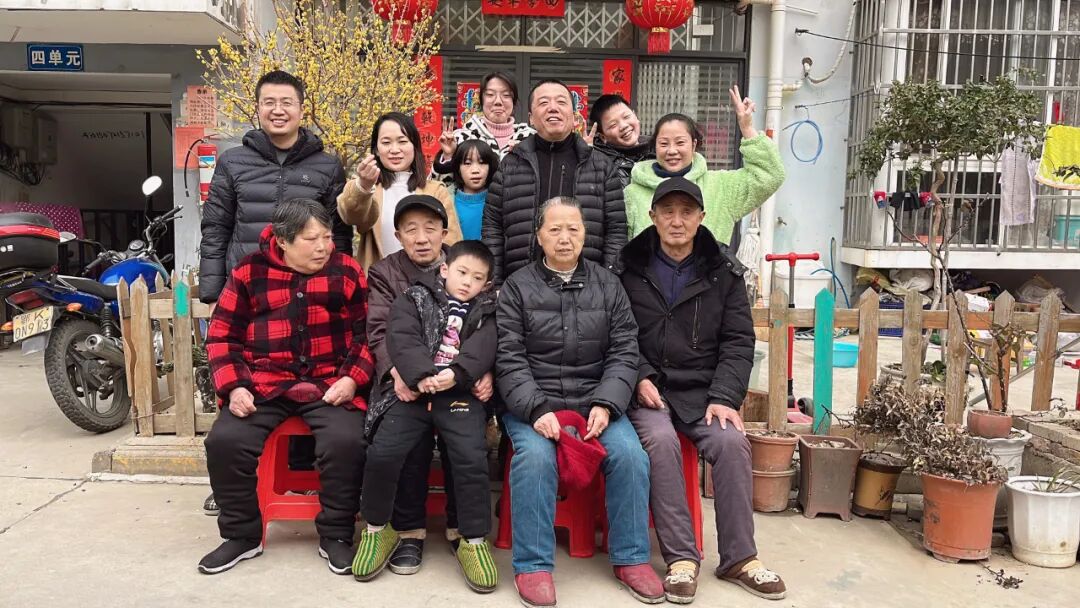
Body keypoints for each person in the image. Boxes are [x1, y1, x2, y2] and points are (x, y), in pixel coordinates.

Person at [618, 178, 786, 602]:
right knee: (660, 441)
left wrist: (725, 396)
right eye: (668, 212)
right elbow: (617, 334)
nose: (677, 221)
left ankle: (740, 558)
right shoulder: (628, 267)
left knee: (731, 442)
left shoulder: (723, 271)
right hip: (649, 391)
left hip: (703, 391)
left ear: (701, 217)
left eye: (686, 212)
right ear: (653, 217)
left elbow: (738, 341)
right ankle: (681, 559)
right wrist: (638, 376)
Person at [496, 197, 663, 607]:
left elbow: (625, 350)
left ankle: (631, 558)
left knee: (631, 456)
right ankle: (533, 566)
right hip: (534, 404)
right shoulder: (517, 287)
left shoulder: (608, 285)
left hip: (595, 401)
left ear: (585, 234)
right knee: (535, 458)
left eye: (573, 228)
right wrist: (536, 409)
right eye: (554, 229)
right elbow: (508, 357)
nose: (564, 238)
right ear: (539, 236)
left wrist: (606, 403)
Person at [198, 69, 349, 515]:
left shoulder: (327, 165)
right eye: (269, 102)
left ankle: (302, 477)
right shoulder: (233, 162)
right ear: (258, 108)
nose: (278, 110)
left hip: (311, 292)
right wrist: (213, 289)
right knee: (239, 386)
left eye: (287, 102)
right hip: (250, 293)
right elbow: (216, 226)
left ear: (302, 109)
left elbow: (338, 236)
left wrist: (336, 285)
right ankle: (233, 483)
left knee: (307, 379)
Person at [198, 199, 374, 576]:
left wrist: (351, 378)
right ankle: (242, 536)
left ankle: (337, 535)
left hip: (329, 382)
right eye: (311, 239)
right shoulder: (249, 271)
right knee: (225, 442)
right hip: (264, 383)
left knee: (346, 443)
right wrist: (235, 387)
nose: (323, 247)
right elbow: (222, 336)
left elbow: (368, 335)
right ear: (282, 240)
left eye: (327, 237)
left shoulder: (346, 270)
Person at [353, 240, 499, 593]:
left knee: (471, 458)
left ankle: (472, 539)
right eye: (462, 272)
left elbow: (485, 347)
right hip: (413, 391)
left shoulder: (487, 310)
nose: (467, 282)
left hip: (458, 392)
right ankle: (378, 529)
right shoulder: (414, 298)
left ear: (486, 284)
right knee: (384, 452)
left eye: (477, 278)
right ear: (445, 269)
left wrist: (458, 374)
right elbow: (401, 336)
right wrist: (419, 375)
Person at [482, 79, 626, 286]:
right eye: (543, 103)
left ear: (574, 115)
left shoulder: (601, 166)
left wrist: (607, 284)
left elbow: (616, 231)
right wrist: (495, 284)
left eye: (561, 102)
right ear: (531, 118)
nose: (553, 108)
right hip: (521, 288)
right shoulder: (511, 165)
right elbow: (492, 229)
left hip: (586, 288)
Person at [622, 86, 785, 243]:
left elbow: (770, 176)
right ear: (655, 147)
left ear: (693, 145)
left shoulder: (721, 186)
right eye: (664, 144)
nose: (672, 151)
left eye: (680, 142)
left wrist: (747, 128)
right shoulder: (633, 193)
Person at [337, 112, 462, 270]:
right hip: (379, 282)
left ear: (414, 146)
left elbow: (452, 243)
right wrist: (364, 186)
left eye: (402, 141)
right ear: (376, 149)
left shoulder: (435, 190)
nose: (394, 150)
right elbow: (351, 216)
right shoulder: (368, 189)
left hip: (429, 281)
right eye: (386, 142)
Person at [431, 71, 534, 184]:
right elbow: (437, 187)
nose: (498, 101)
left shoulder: (530, 139)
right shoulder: (460, 138)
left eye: (506, 95)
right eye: (490, 94)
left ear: (513, 102)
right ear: (481, 100)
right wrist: (448, 156)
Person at [588, 94, 655, 187]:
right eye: (613, 125)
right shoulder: (600, 165)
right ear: (603, 137)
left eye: (626, 117)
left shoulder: (658, 150)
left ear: (635, 115)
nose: (623, 126)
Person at [449, 140, 499, 240]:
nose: (475, 170)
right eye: (467, 163)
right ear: (458, 168)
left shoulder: (499, 201)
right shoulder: (447, 201)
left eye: (482, 163)